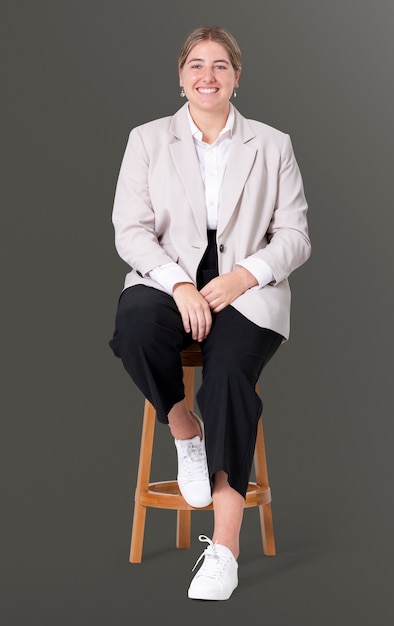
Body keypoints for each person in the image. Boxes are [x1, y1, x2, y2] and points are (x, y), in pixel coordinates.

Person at [109, 25, 311, 601]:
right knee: (136, 326)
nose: (207, 75)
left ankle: (223, 551)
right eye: (196, 65)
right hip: (167, 279)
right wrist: (179, 284)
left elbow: (295, 236)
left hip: (246, 290)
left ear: (237, 76)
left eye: (220, 65)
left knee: (226, 379)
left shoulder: (273, 144)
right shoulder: (147, 140)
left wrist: (244, 275)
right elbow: (131, 230)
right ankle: (185, 432)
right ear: (180, 77)